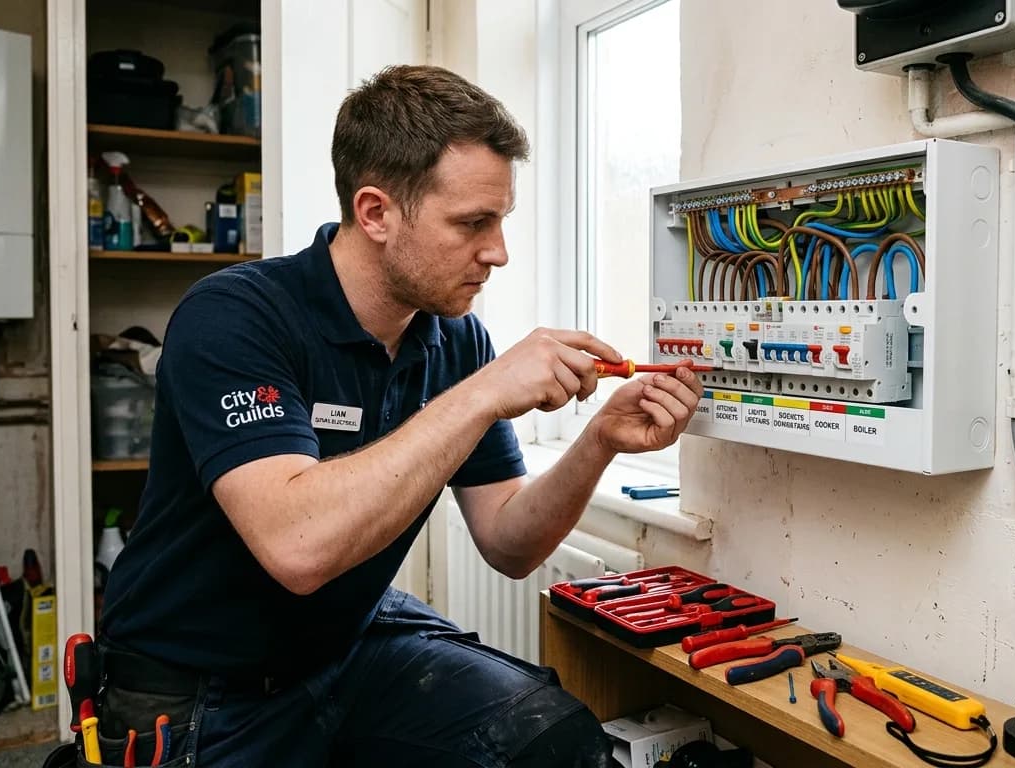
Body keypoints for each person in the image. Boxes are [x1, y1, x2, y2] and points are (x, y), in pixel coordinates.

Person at [92, 64, 703, 767]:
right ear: (375, 212)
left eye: (501, 220)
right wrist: (481, 394)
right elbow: (299, 549)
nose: (497, 253)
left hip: (344, 649)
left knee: (554, 741)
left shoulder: (454, 337)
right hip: (198, 686)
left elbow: (509, 542)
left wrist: (599, 441)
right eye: (472, 224)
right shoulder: (235, 317)